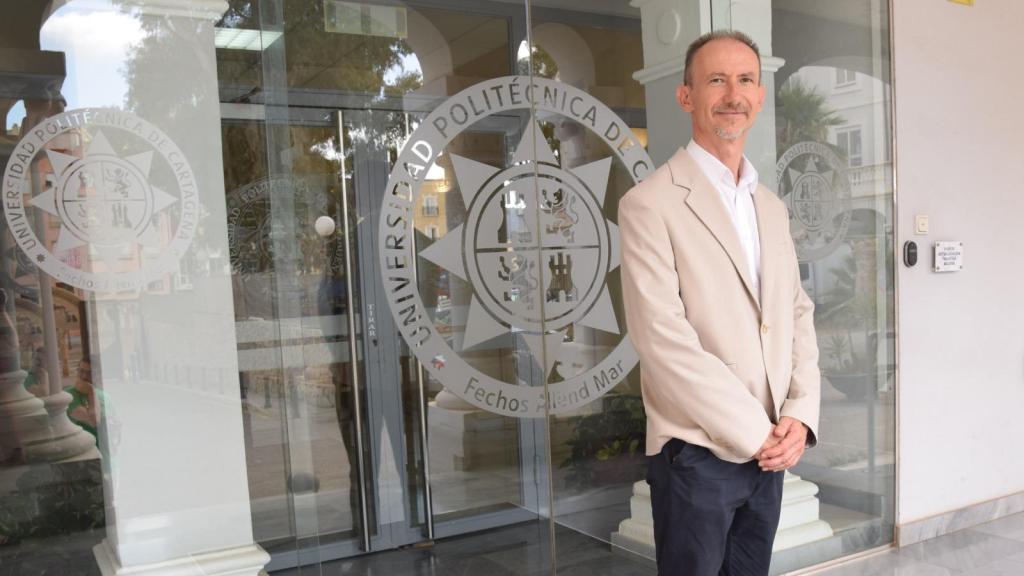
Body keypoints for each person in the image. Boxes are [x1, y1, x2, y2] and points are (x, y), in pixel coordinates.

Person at [619, 30, 821, 576]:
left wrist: (799, 417)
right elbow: (663, 341)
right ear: (686, 96)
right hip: (698, 455)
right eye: (716, 80)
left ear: (758, 97)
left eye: (746, 80)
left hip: (772, 452)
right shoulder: (649, 204)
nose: (733, 93)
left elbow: (795, 313)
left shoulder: (772, 207)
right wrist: (759, 434)